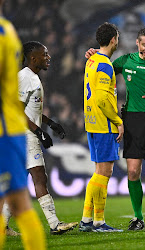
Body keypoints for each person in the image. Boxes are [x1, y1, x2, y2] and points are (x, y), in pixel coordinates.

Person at [86, 27, 145, 231]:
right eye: (144, 45)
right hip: (132, 120)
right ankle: (138, 218)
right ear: (137, 43)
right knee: (132, 171)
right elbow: (104, 67)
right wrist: (95, 54)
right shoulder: (126, 61)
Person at [3, 41, 78, 235]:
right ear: (33, 58)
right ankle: (54, 224)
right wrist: (38, 132)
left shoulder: (32, 77)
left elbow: (30, 110)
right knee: (40, 178)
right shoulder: (25, 78)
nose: (48, 57)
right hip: (25, 135)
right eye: (45, 54)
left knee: (19, 181)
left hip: (24, 134)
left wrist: (50, 123)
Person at [0, 0, 46, 248]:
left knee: (17, 201)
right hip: (11, 129)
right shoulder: (7, 29)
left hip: (4, 131)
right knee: (17, 202)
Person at [78, 22, 124, 233]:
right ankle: (96, 222)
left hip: (92, 122)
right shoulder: (104, 64)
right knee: (104, 172)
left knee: (99, 171)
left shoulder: (92, 61)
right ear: (113, 39)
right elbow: (103, 99)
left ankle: (89, 220)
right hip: (104, 123)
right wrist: (118, 121)